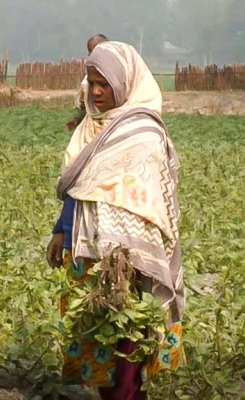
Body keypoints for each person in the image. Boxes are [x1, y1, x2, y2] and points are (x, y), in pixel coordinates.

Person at [47, 41, 185, 400]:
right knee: (96, 331)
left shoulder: (143, 132)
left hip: (128, 255)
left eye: (103, 84)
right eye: (91, 83)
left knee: (126, 331)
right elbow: (79, 186)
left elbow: (152, 197)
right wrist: (60, 231)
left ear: (124, 83)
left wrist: (123, 253)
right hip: (86, 243)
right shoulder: (90, 126)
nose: (95, 91)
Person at [65, 34, 109, 131]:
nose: (96, 91)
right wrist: (78, 120)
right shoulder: (90, 76)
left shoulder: (122, 75)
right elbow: (86, 104)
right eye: (91, 53)